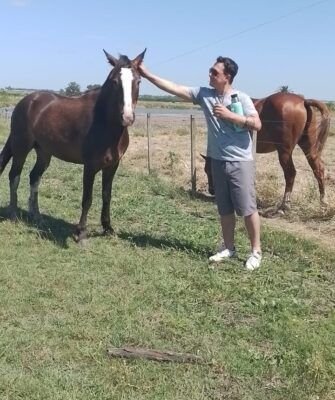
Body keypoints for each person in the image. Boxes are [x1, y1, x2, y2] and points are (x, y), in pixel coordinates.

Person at [138, 56, 262, 270]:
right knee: (224, 208)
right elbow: (175, 88)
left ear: (227, 77)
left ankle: (256, 252)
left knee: (248, 208)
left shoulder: (240, 97)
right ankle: (229, 248)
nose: (210, 75)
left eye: (215, 72)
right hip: (217, 161)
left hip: (240, 161)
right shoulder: (205, 95)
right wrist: (147, 74)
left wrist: (231, 116)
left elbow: (256, 124)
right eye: (210, 71)